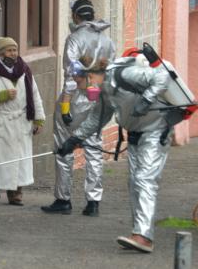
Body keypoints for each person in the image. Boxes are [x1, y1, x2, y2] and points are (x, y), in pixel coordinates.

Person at [58, 48, 178, 253]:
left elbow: (163, 76)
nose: (79, 87)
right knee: (134, 183)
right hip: (135, 134)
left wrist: (147, 100)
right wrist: (74, 139)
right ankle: (139, 232)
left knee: (145, 180)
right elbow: (98, 117)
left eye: (79, 81)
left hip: (156, 130)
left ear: (89, 75)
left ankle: (143, 237)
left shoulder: (123, 74)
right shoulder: (105, 89)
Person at [41, 0, 115, 217]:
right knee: (94, 149)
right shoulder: (108, 42)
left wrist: (65, 107)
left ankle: (63, 199)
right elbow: (109, 73)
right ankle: (93, 202)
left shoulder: (74, 38)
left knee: (64, 148)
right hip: (98, 99)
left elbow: (71, 75)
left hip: (75, 99)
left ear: (75, 16)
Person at [0, 36, 46, 206]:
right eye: (9, 50)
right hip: (1, 122)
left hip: (21, 122)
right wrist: (1, 96)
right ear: (1, 53)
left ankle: (16, 194)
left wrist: (38, 119)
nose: (13, 53)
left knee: (19, 160)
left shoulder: (25, 70)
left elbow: (35, 95)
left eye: (15, 50)